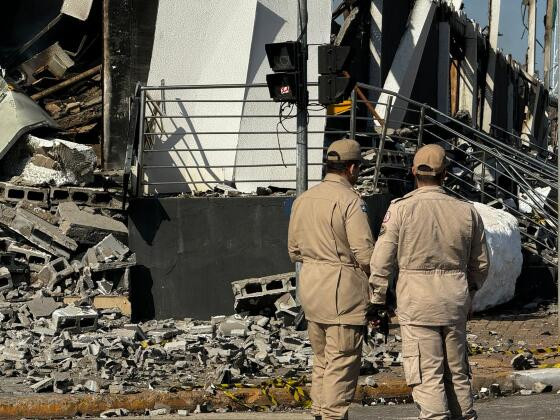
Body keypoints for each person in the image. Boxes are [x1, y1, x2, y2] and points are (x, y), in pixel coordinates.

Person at [368, 144, 489, 420]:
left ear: (413, 171)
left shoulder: (400, 209)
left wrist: (376, 299)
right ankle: (465, 415)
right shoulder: (466, 211)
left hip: (417, 300)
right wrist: (469, 293)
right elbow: (481, 263)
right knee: (456, 370)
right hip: (455, 299)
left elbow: (381, 260)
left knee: (426, 371)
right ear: (445, 174)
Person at [288, 139, 374, 420]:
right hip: (342, 291)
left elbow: (294, 249)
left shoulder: (303, 199)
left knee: (322, 360)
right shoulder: (350, 200)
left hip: (311, 288)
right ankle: (333, 415)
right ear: (351, 168)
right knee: (342, 361)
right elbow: (365, 253)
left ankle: (320, 411)